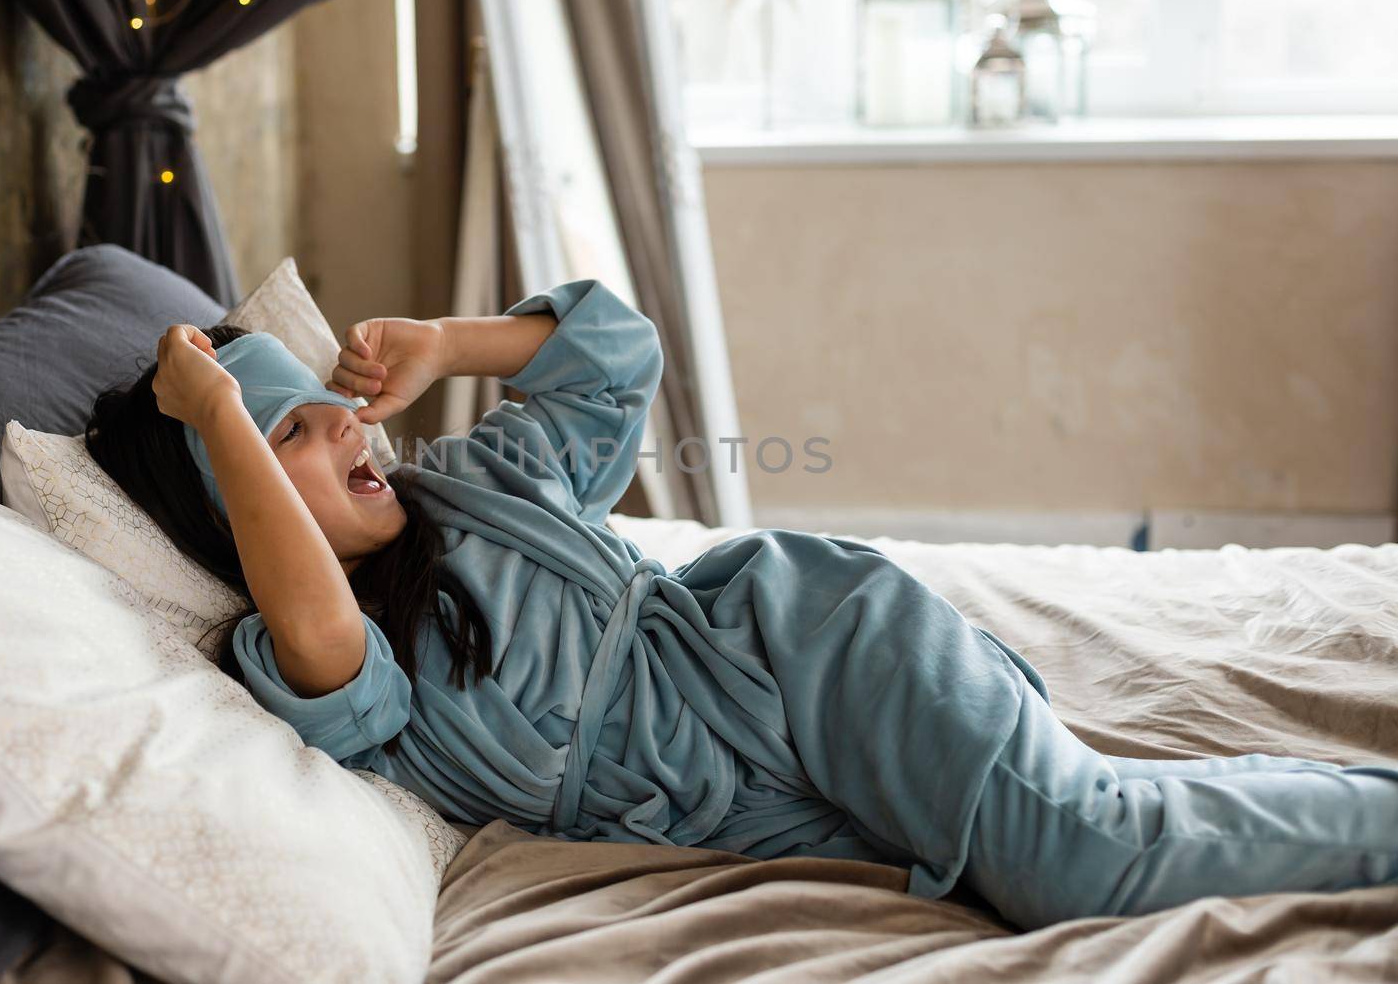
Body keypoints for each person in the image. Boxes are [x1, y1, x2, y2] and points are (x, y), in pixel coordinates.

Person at [84, 278, 1398, 932]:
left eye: (327, 407)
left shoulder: (477, 486)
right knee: (1069, 845)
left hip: (815, 652)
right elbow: (316, 628)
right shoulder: (331, 663)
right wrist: (217, 424)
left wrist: (453, 344)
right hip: (790, 796)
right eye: (285, 441)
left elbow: (613, 365)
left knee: (1088, 858)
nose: (345, 431)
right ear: (239, 507)